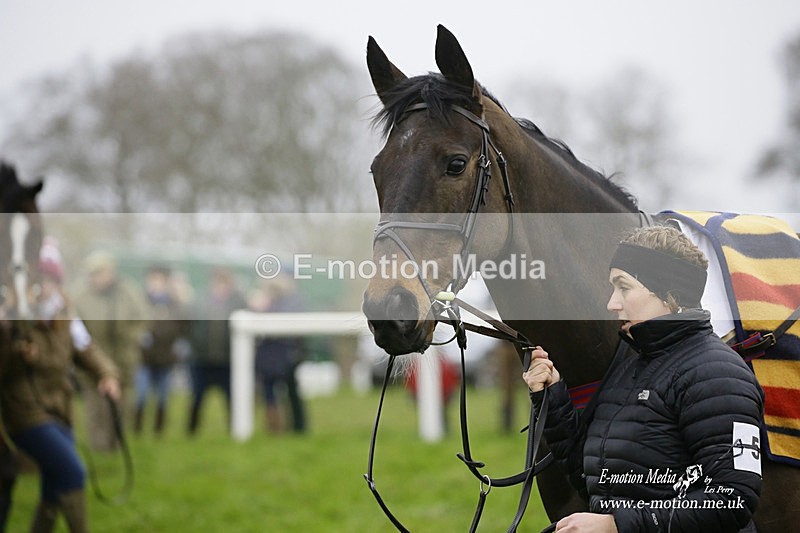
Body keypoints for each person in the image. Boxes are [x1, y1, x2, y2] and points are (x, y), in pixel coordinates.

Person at [522, 225, 764, 532]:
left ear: (670, 295)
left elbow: (733, 500)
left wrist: (615, 526)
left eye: (623, 287)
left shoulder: (719, 373)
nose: (612, 303)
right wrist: (552, 397)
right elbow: (594, 480)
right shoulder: (630, 367)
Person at [0, 239, 121, 532]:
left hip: (60, 410)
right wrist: (17, 352)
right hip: (25, 413)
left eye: (50, 278)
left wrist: (108, 375)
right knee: (73, 471)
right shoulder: (12, 317)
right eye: (38, 278)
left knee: (56, 481)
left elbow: (87, 349)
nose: (45, 285)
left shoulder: (64, 313)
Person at [72, 250, 148, 452]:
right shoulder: (80, 296)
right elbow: (76, 328)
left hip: (124, 359)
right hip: (93, 361)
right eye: (96, 273)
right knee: (96, 405)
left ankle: (117, 443)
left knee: (121, 404)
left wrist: (130, 336)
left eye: (104, 272)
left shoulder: (128, 292)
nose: (101, 277)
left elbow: (142, 319)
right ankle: (99, 447)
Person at [187, 267, 246, 435]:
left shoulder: (238, 302)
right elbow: (189, 327)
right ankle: (191, 431)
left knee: (232, 399)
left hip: (227, 361)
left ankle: (235, 431)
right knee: (197, 398)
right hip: (202, 359)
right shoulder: (199, 301)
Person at [134, 265, 186, 436]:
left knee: (163, 397)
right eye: (153, 279)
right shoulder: (140, 301)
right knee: (141, 395)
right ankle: (137, 430)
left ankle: (158, 431)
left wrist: (178, 343)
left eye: (160, 280)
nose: (156, 284)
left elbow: (181, 327)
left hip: (165, 357)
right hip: (144, 357)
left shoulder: (174, 304)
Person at [253, 273, 307, 434]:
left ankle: (284, 428)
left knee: (282, 393)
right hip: (280, 355)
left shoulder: (281, 304)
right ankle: (286, 427)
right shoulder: (286, 302)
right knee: (283, 393)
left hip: (279, 355)